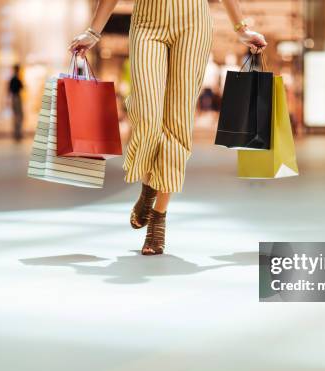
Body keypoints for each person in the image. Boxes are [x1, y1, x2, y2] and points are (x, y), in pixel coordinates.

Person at [69, 0, 267, 255]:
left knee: (178, 121)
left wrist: (241, 29)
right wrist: (93, 31)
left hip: (193, 24)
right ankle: (149, 185)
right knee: (147, 116)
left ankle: (158, 215)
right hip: (146, 22)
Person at [8, 65, 24, 142]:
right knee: (19, 116)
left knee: (16, 115)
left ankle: (16, 132)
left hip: (14, 98)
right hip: (17, 97)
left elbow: (9, 89)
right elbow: (22, 87)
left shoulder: (13, 79)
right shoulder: (16, 79)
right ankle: (17, 133)